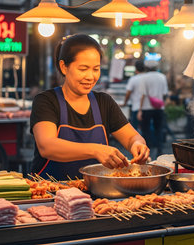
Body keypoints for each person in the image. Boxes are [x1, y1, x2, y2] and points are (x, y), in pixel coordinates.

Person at [30, 34, 149, 180]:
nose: (90, 76)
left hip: (96, 193)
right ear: (64, 67)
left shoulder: (103, 102)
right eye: (83, 69)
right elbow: (47, 146)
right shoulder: (46, 101)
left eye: (95, 69)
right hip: (49, 193)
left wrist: (138, 144)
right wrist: (95, 150)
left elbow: (131, 137)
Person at [137, 60, 168, 158]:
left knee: (146, 129)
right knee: (158, 128)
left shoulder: (144, 78)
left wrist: (140, 110)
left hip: (146, 107)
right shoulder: (162, 77)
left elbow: (143, 94)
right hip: (159, 108)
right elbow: (164, 93)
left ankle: (147, 151)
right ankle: (160, 150)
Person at [122, 60, 146, 130]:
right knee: (146, 130)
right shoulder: (147, 78)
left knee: (134, 130)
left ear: (136, 69)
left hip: (136, 107)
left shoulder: (133, 79)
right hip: (147, 108)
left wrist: (125, 103)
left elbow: (128, 93)